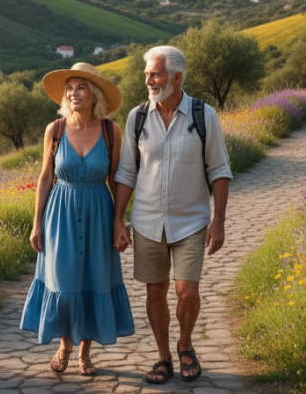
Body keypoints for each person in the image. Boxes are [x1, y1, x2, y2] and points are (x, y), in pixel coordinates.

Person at [112, 45, 232, 384]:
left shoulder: (203, 115)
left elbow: (220, 170)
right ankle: (163, 356)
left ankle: (186, 344)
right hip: (147, 221)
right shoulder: (137, 117)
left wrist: (219, 220)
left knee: (186, 292)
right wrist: (118, 219)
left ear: (176, 78)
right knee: (154, 291)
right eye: (147, 74)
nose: (148, 80)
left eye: (155, 74)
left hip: (191, 221)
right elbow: (126, 174)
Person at [20, 62, 135, 376]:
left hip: (99, 210)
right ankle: (64, 345)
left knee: (95, 278)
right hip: (61, 214)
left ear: (94, 93)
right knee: (65, 278)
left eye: (81, 87)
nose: (74, 93)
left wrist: (119, 221)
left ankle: (85, 353)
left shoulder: (111, 131)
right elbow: (45, 178)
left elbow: (116, 179)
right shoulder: (54, 130)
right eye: (70, 88)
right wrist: (36, 223)